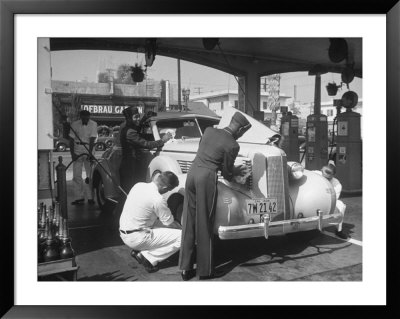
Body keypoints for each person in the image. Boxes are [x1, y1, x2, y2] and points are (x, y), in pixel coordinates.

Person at [179, 111, 252, 280]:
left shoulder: (209, 131)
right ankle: (205, 271)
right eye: (242, 132)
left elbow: (206, 154)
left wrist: (228, 168)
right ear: (240, 129)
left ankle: (185, 268)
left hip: (192, 174)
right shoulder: (233, 145)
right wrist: (236, 172)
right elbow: (226, 174)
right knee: (205, 222)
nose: (241, 135)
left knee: (189, 221)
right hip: (206, 178)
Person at [119, 171, 181, 273]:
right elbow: (169, 223)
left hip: (124, 232)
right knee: (183, 236)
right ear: (165, 188)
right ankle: (148, 257)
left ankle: (139, 250)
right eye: (169, 190)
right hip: (137, 237)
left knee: (157, 223)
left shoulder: (138, 185)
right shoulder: (158, 199)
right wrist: (182, 227)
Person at [119, 106, 171, 194]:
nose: (138, 119)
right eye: (135, 117)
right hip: (130, 168)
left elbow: (137, 128)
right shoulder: (129, 132)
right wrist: (162, 140)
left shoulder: (128, 129)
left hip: (130, 165)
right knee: (130, 193)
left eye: (138, 116)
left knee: (131, 192)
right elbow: (146, 144)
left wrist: (144, 118)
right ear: (129, 119)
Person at [68, 110, 98, 205]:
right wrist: (72, 154)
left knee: (90, 175)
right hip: (77, 149)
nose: (85, 119)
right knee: (77, 175)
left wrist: (90, 153)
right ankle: (79, 197)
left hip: (89, 147)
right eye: (83, 117)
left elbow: (93, 138)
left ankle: (90, 198)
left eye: (87, 117)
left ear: (89, 117)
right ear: (80, 117)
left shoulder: (93, 124)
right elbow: (71, 139)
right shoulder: (74, 124)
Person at [315, 161, 348, 239]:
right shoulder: (316, 174)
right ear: (321, 171)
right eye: (324, 177)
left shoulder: (337, 184)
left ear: (333, 175)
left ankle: (339, 230)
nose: (326, 179)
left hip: (326, 202)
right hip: (311, 199)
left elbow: (333, 199)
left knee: (341, 205)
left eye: (328, 178)